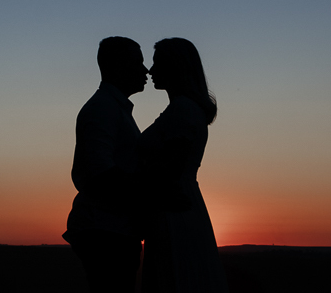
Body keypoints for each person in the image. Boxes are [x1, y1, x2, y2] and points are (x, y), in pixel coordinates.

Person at [139, 38, 228, 293]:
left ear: (176, 67)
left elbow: (169, 168)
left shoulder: (183, 110)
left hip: (173, 206)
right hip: (176, 203)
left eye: (158, 64)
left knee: (175, 277)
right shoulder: (183, 109)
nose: (150, 71)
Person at [64, 36, 149, 293]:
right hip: (107, 232)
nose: (145, 71)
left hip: (113, 229)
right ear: (117, 66)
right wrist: (149, 198)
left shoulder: (111, 108)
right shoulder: (103, 109)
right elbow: (98, 173)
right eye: (138, 63)